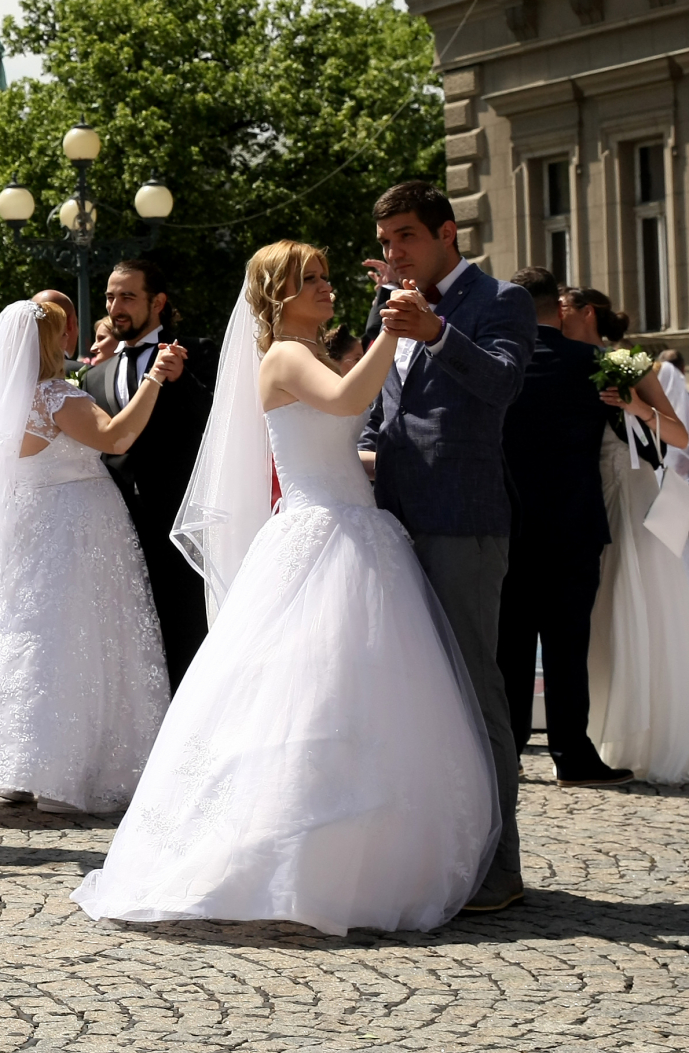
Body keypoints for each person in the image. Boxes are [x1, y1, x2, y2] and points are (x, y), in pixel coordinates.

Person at [75, 241, 502, 936]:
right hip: (320, 534)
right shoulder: (284, 356)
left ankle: (367, 853)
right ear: (278, 294)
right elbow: (349, 398)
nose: (326, 287)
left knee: (359, 699)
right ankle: (288, 858)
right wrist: (392, 331)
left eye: (327, 276)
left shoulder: (314, 353)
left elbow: (343, 424)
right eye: (311, 280)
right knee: (306, 697)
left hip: (358, 529)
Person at [356, 180, 534, 913]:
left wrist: (434, 331)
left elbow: (504, 384)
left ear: (446, 233)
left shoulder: (501, 300)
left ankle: (501, 867)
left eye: (405, 235)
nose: (393, 252)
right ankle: (435, 856)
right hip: (392, 522)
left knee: (474, 690)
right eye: (385, 240)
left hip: (463, 522)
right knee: (416, 694)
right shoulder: (389, 305)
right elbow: (382, 405)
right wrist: (363, 451)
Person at [0, 301, 174, 813]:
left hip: (34, 530)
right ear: (53, 338)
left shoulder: (4, 405)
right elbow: (117, 436)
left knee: (33, 636)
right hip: (79, 528)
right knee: (84, 635)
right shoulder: (56, 396)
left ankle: (19, 767)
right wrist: (154, 379)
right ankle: (66, 775)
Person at [495, 270, 637, 786]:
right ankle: (572, 755)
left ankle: (507, 751)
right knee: (566, 646)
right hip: (574, 521)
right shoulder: (594, 364)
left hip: (508, 522)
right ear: (558, 308)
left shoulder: (496, 365)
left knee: (509, 646)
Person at [562, 287, 689, 783]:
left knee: (640, 605)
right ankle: (602, 732)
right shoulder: (562, 363)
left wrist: (636, 408)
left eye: (564, 308)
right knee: (599, 617)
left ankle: (651, 734)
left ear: (587, 313)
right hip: (588, 502)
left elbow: (679, 435)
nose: (557, 315)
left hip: (633, 498)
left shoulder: (630, 363)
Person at [82, 260, 214, 688]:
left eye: (127, 296)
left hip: (182, 525)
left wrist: (185, 380)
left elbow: (223, 425)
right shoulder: (94, 376)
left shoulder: (197, 351)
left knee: (189, 635)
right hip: (119, 529)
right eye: (109, 297)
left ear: (158, 302)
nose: (115, 307)